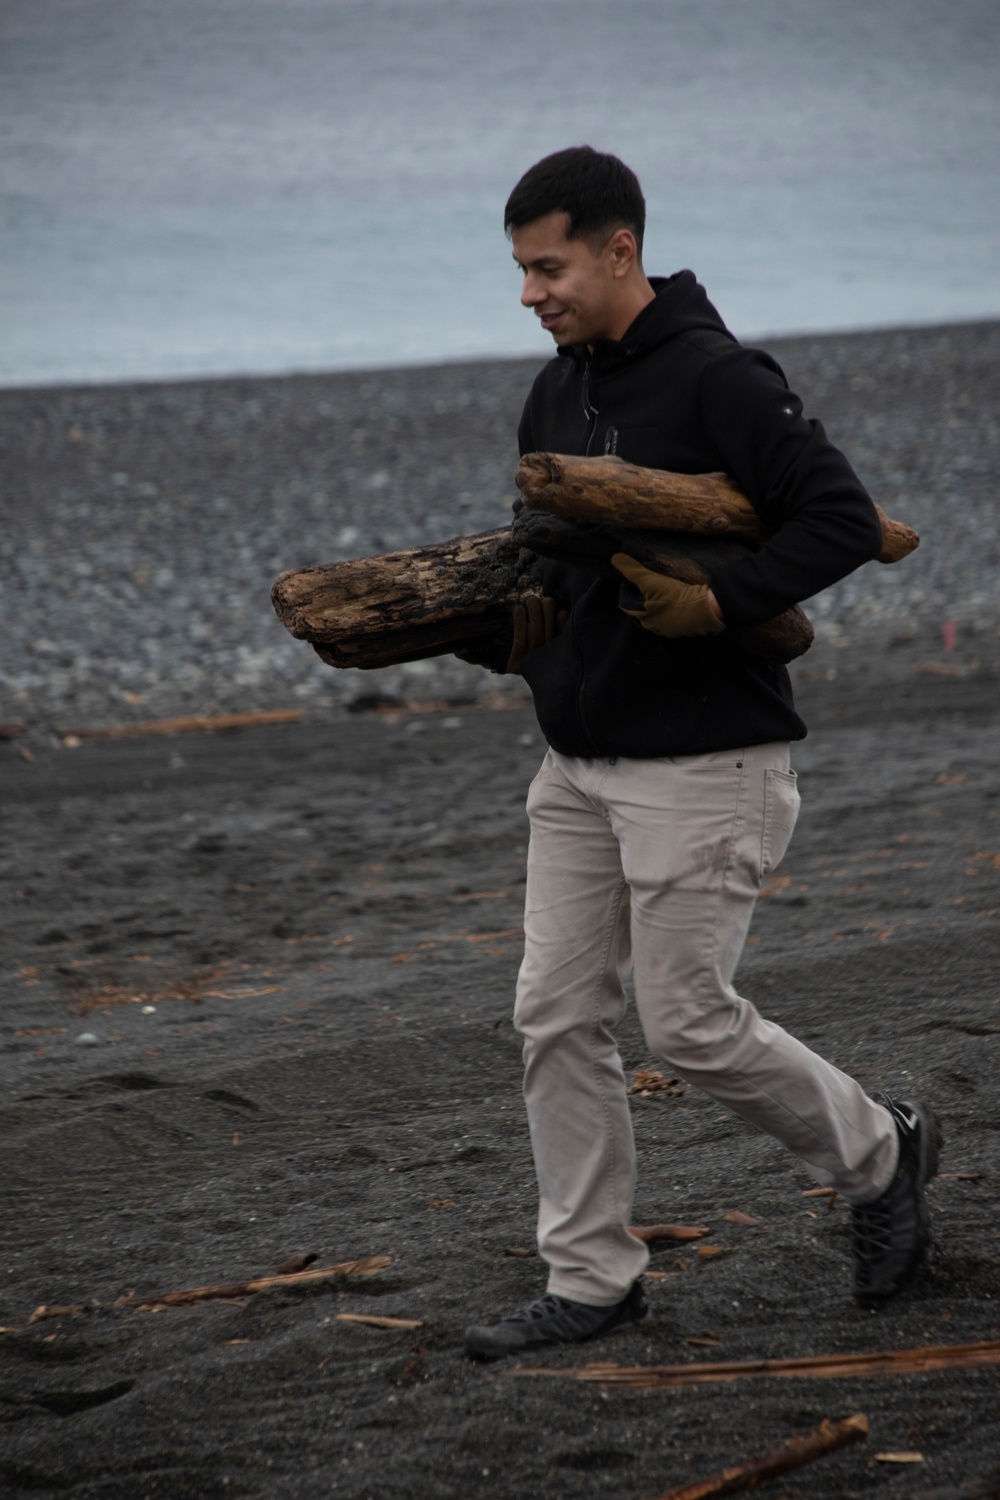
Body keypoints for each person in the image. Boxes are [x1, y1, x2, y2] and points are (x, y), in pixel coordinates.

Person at [461, 146, 941, 1362]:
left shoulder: (724, 379)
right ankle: (591, 1279)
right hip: (576, 763)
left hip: (705, 761)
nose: (530, 292)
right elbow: (552, 570)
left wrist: (716, 608)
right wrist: (507, 638)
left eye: (547, 265)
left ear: (619, 248)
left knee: (684, 1026)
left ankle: (882, 1153)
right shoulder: (556, 392)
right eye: (520, 269)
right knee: (554, 1017)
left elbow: (835, 515)